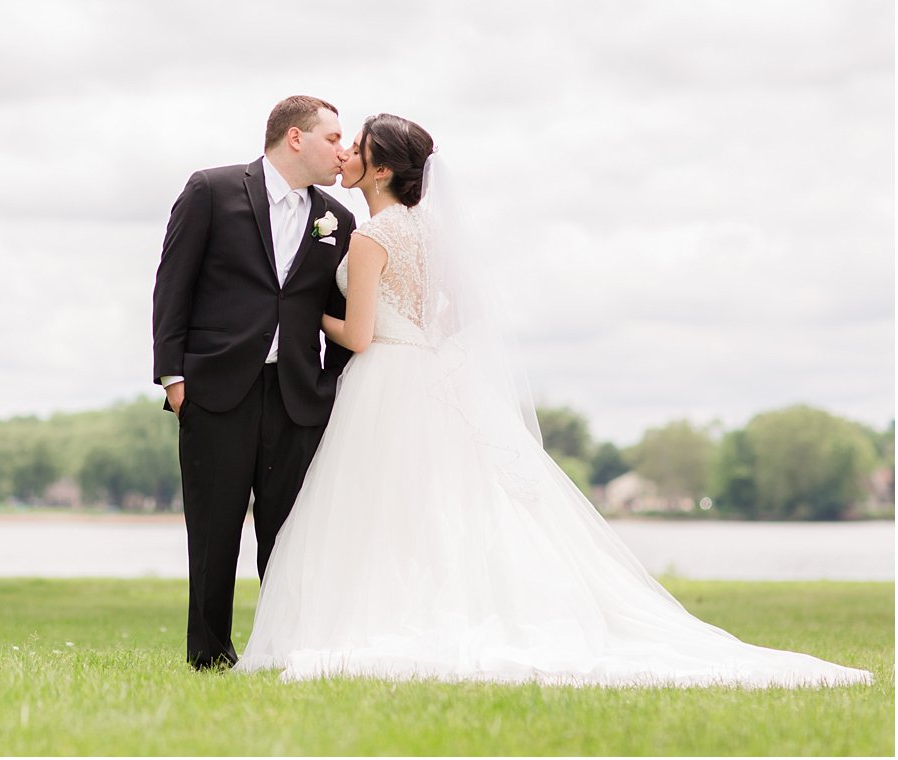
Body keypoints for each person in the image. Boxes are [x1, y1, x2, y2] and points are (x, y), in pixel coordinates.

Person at [235, 113, 872, 687]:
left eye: (358, 148)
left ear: (379, 169)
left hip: (388, 382)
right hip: (434, 376)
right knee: (447, 505)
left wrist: (311, 314)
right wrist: (424, 339)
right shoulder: (430, 233)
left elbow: (362, 335)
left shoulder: (372, 237)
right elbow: (457, 316)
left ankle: (389, 612)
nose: (344, 154)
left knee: (385, 509)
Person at [152, 95, 358, 670]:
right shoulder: (212, 191)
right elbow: (173, 284)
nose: (342, 151)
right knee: (214, 534)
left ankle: (282, 652)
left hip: (297, 398)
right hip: (215, 391)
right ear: (295, 137)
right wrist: (174, 379)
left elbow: (345, 313)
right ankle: (209, 655)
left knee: (288, 537)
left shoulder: (337, 221)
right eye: (332, 138)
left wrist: (330, 386)